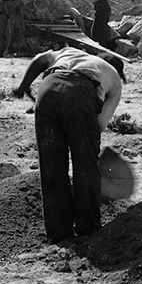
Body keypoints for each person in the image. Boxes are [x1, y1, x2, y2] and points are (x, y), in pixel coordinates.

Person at [14, 48, 124, 241]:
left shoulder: (68, 51)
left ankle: (58, 232)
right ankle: (88, 229)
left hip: (47, 90)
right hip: (81, 92)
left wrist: (24, 86)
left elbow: (40, 59)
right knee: (85, 167)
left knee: (52, 166)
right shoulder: (114, 79)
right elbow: (99, 124)